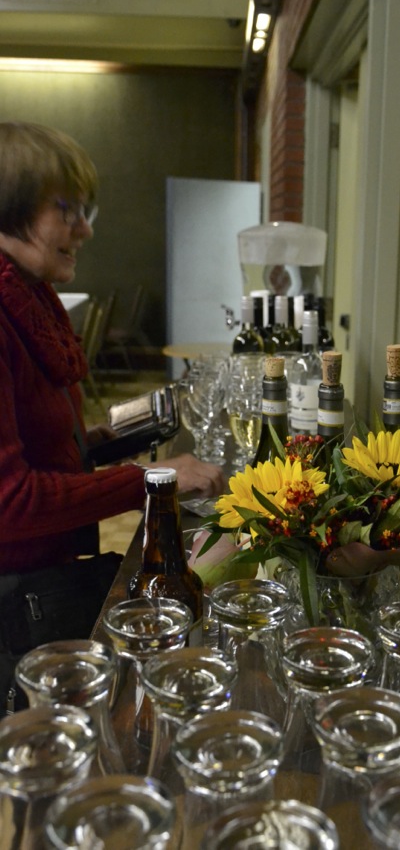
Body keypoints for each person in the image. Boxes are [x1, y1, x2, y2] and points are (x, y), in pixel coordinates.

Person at [0, 122, 226, 707]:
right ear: (9, 207)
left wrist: (99, 442)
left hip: (46, 579)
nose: (85, 228)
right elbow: (11, 501)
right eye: (67, 209)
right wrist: (151, 480)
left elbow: (36, 441)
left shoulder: (30, 294)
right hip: (16, 605)